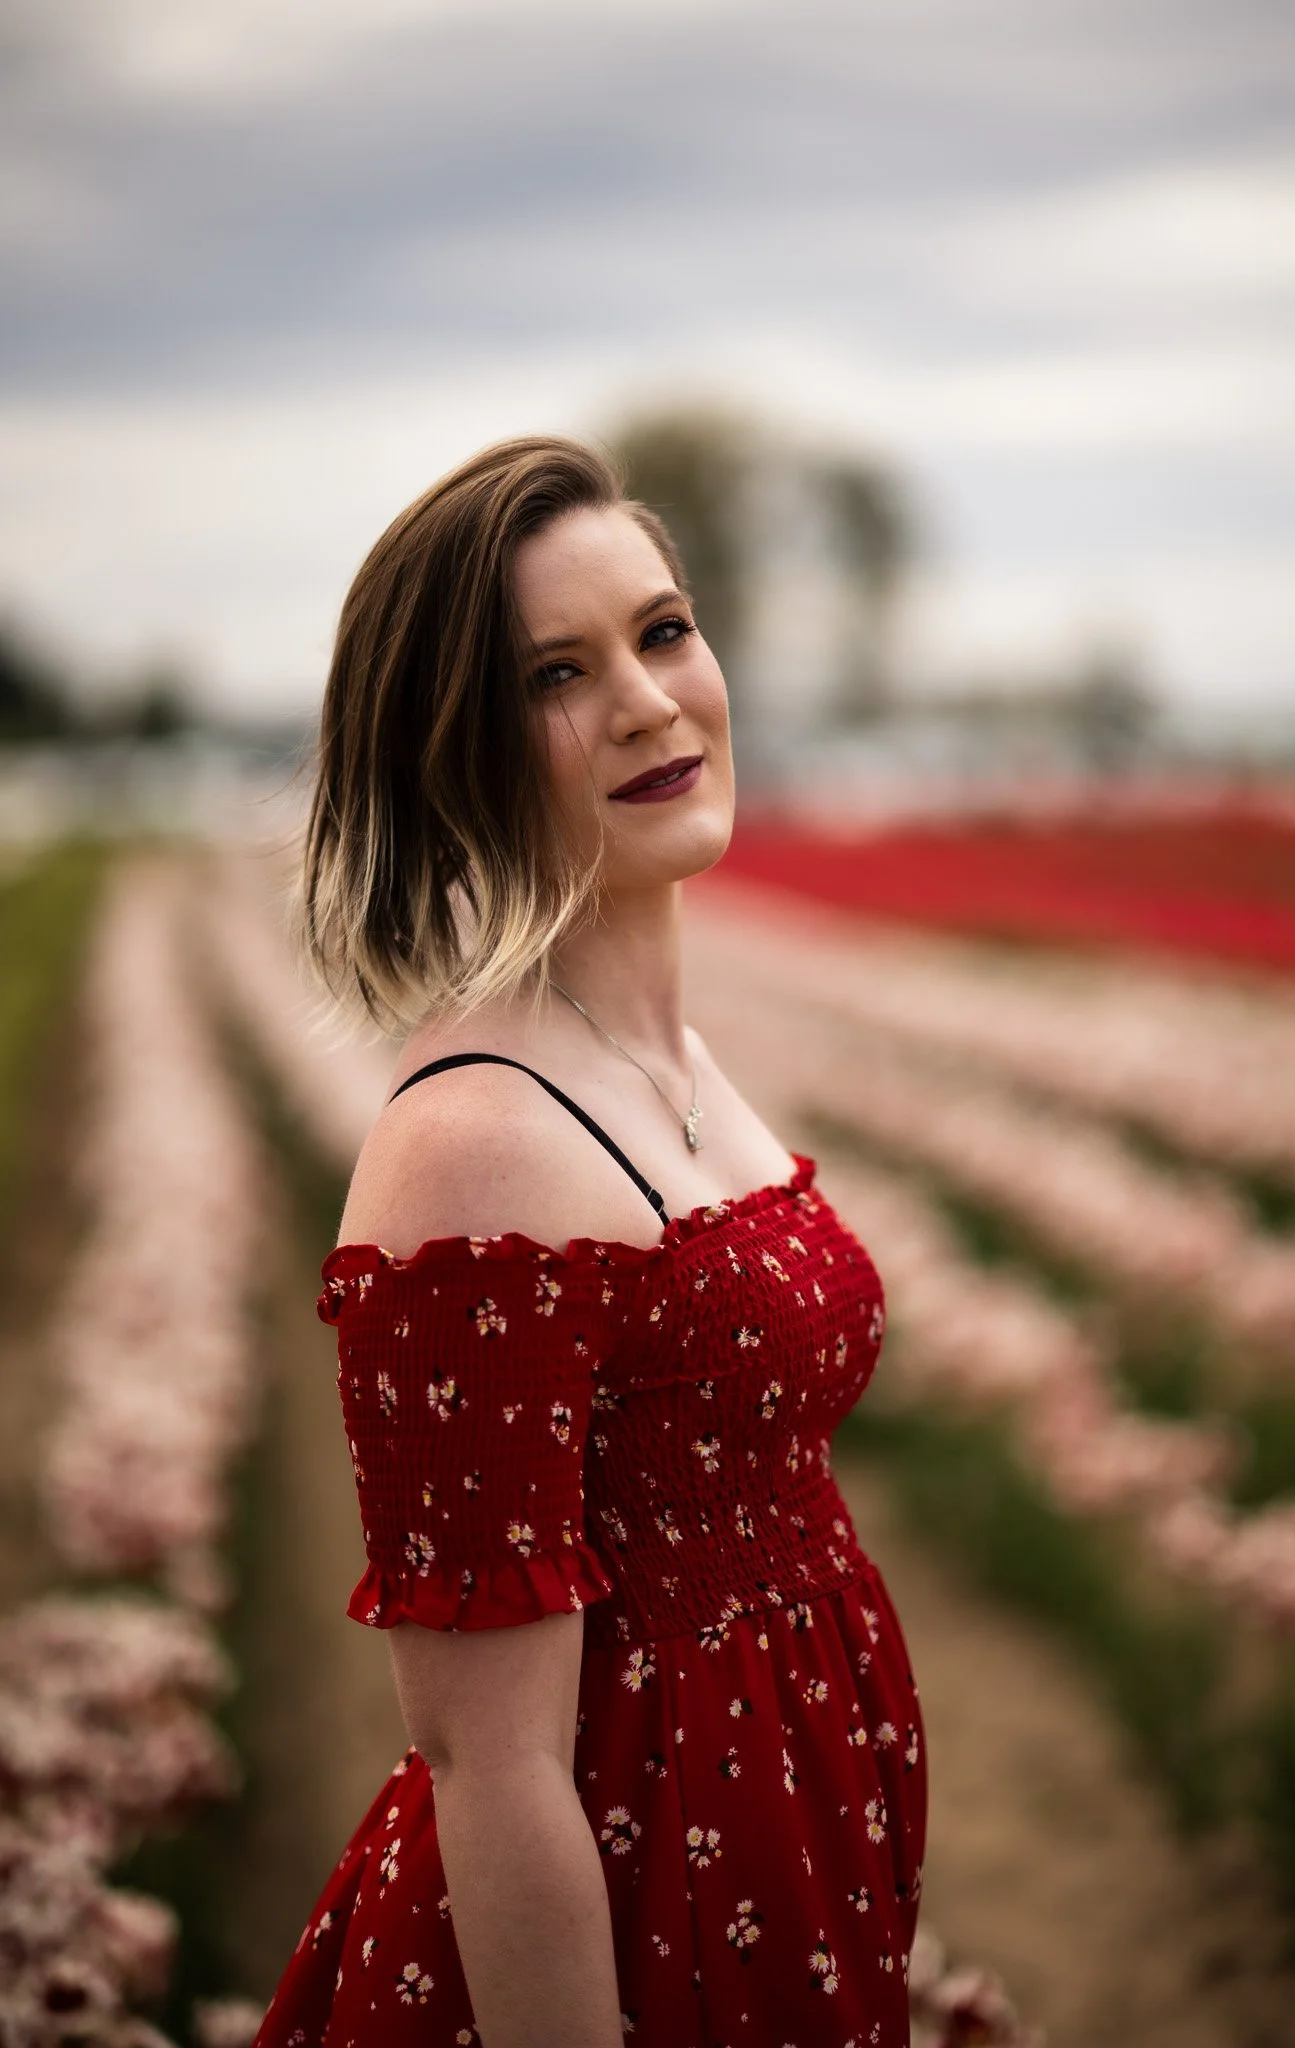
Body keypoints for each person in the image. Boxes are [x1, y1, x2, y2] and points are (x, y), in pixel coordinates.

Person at [254, 435, 926, 2048]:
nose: (644, 700)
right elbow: (492, 1765)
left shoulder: (674, 1066)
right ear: (455, 754)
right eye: (558, 674)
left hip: (793, 1870)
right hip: (631, 1931)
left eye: (663, 630)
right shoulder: (472, 1147)